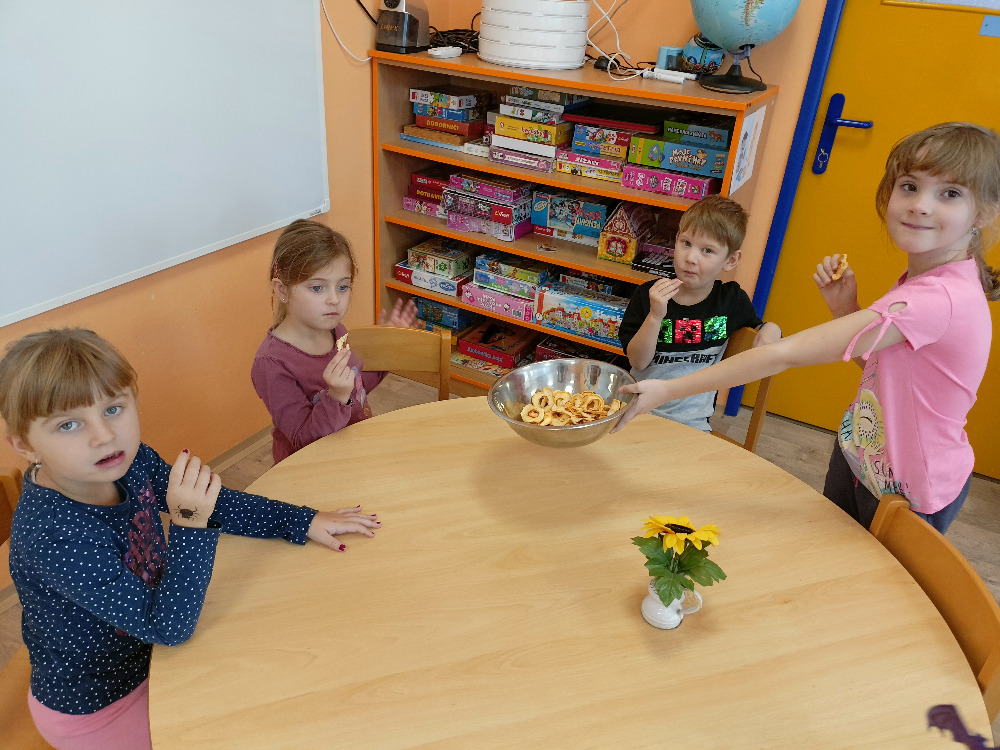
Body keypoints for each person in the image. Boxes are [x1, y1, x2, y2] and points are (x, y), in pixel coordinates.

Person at [0, 328, 381, 749]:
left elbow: (215, 503)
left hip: (160, 653)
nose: (103, 435)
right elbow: (169, 627)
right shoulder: (53, 537)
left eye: (113, 408)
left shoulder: (124, 460)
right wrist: (188, 524)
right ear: (24, 445)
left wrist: (301, 520)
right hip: (102, 703)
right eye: (69, 424)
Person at [613, 122, 1000, 534]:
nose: (920, 205)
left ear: (985, 212)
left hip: (909, 489)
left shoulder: (938, 298)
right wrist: (847, 310)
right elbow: (884, 370)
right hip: (861, 458)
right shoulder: (929, 279)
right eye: (909, 186)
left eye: (950, 193)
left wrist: (667, 389)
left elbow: (784, 354)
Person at [251, 219, 418, 463]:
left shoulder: (335, 330)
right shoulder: (272, 363)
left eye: (343, 287)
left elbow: (356, 388)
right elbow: (302, 440)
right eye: (317, 288)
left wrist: (388, 349)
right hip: (311, 469)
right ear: (282, 290)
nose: (334, 300)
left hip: (353, 450)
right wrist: (337, 396)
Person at [618, 194, 781, 432]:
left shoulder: (731, 300)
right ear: (676, 240)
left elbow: (758, 328)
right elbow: (638, 362)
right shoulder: (648, 295)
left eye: (707, 250)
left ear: (731, 260)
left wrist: (771, 328)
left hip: (693, 425)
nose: (691, 258)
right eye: (686, 243)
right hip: (638, 414)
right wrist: (655, 316)